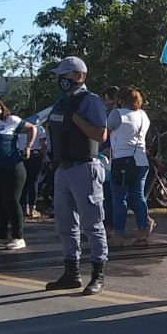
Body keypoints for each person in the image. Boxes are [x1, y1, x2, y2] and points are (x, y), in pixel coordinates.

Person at [43, 56, 110, 295]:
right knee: (65, 224)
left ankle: (98, 275)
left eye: (65, 75)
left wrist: (76, 118)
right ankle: (71, 273)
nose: (61, 79)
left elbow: (101, 135)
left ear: (79, 76)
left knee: (92, 223)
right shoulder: (61, 102)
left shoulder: (90, 100)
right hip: (63, 168)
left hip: (85, 167)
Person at [0, 98, 36, 250]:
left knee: (11, 201)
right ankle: (1, 236)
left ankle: (18, 237)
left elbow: (31, 128)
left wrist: (28, 146)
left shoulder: (10, 121)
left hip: (12, 167)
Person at [107, 88, 155, 247]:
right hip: (141, 160)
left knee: (119, 199)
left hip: (122, 160)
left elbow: (105, 132)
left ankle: (119, 234)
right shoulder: (143, 115)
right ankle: (143, 232)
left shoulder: (117, 114)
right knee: (138, 197)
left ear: (120, 100)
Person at [21, 111, 47, 219]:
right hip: (35, 155)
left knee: (24, 183)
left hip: (22, 155)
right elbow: (43, 145)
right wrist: (44, 157)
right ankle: (32, 208)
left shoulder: (20, 129)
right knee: (34, 182)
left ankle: (24, 208)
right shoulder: (39, 128)